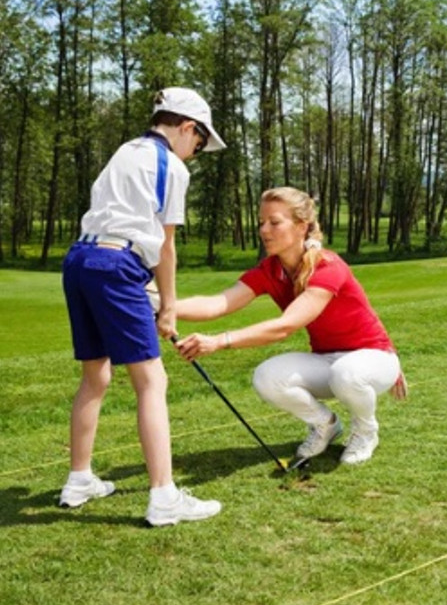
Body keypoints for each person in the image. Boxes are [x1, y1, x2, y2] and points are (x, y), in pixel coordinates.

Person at [59, 87, 227, 527]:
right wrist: (168, 306)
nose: (196, 153)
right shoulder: (170, 165)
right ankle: (164, 497)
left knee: (96, 374)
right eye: (199, 143)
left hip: (81, 260)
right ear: (187, 128)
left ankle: (79, 480)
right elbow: (165, 245)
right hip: (117, 264)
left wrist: (142, 288)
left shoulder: (125, 151)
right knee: (152, 379)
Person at [174, 186, 406, 466]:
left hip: (375, 358)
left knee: (348, 374)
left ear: (301, 226)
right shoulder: (269, 271)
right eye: (261, 222)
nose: (264, 230)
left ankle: (366, 431)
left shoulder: (327, 265)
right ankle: (326, 425)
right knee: (267, 377)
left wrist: (219, 341)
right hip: (328, 360)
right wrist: (162, 308)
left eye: (275, 222)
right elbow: (218, 303)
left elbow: (286, 326)